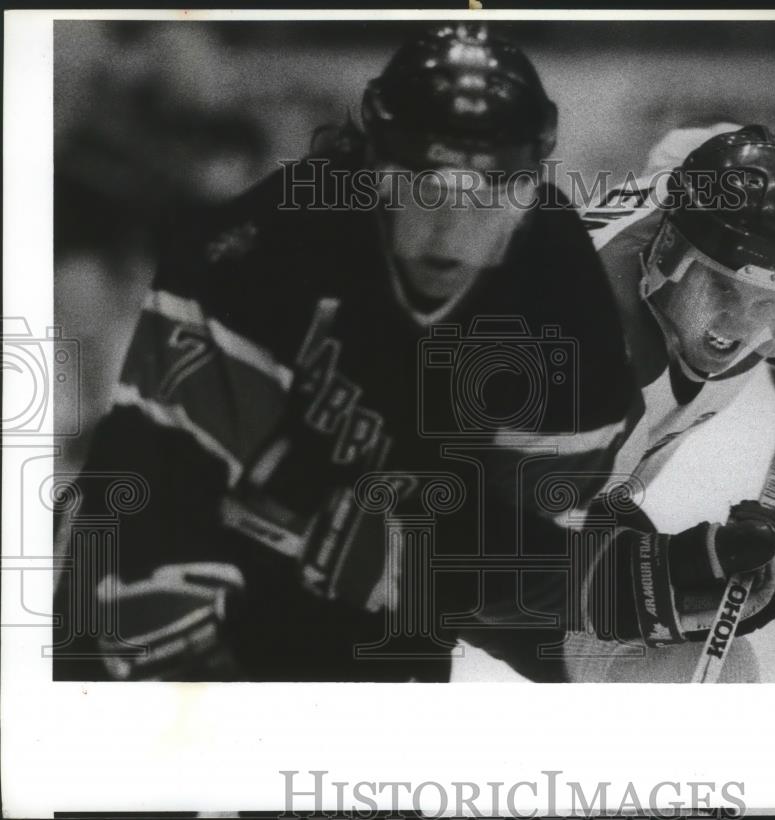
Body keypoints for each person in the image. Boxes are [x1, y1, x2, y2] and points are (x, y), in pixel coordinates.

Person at [52, 24, 642, 681]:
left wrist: (636, 585)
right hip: (170, 617)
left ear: (530, 188)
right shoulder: (265, 250)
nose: (449, 227)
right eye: (423, 186)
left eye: (488, 194)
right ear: (373, 168)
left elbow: (509, 583)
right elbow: (141, 538)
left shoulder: (559, 291)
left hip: (359, 627)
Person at [470, 124, 775, 682]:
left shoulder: (705, 191)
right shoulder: (574, 352)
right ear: (665, 253)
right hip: (437, 523)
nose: (737, 329)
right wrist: (659, 577)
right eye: (722, 290)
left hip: (572, 498)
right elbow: (461, 559)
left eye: (770, 304)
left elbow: (705, 144)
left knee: (711, 669)